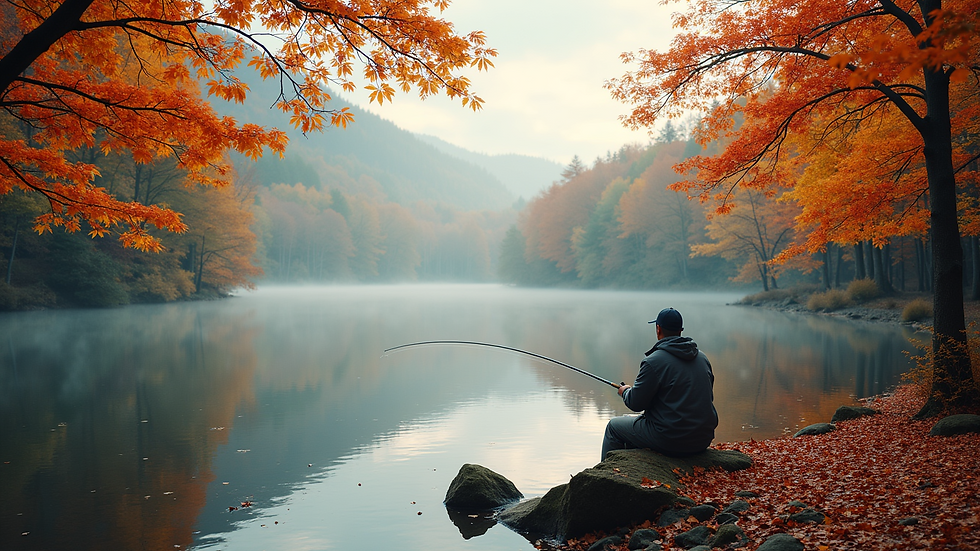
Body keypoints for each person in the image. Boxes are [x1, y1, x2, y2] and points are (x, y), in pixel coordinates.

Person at [601, 307, 718, 461]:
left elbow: (636, 403)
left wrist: (626, 391)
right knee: (633, 424)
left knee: (614, 427)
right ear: (680, 330)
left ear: (658, 329)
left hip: (671, 440)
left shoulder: (654, 361)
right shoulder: (702, 358)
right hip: (702, 439)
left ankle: (607, 474)